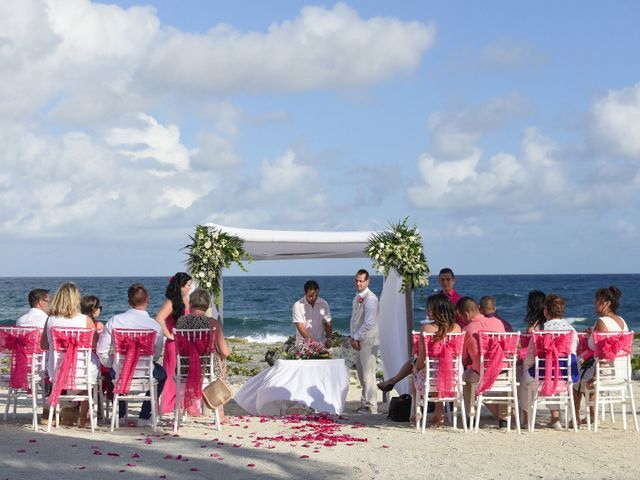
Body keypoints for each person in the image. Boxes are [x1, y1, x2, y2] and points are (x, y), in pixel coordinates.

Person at [96, 283, 165, 427]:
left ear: (129, 302)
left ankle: (120, 415)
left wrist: (111, 364)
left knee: (112, 371)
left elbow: (101, 349)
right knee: (162, 374)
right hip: (146, 372)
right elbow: (157, 352)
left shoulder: (115, 320)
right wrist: (150, 362)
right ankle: (144, 416)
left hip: (120, 371)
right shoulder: (154, 325)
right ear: (147, 299)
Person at [40, 282, 99, 427]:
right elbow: (94, 345)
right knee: (90, 369)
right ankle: (81, 416)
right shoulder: (86, 320)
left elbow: (43, 345)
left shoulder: (51, 320)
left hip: (57, 371)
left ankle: (64, 409)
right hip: (82, 371)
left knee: (79, 368)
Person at [520, 294, 578, 429]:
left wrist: (527, 366)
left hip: (545, 374)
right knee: (553, 377)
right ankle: (555, 419)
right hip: (566, 375)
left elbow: (530, 355)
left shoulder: (541, 330)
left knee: (524, 380)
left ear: (546, 311)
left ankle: (527, 419)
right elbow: (573, 353)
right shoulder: (571, 330)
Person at [573, 286, 628, 426]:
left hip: (604, 372)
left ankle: (576, 418)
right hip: (621, 372)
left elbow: (602, 353)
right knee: (585, 372)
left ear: (607, 303)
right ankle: (591, 416)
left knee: (576, 380)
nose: (594, 303)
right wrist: (593, 333)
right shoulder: (621, 321)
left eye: (597, 301)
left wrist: (596, 377)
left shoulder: (602, 322)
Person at [175, 288, 230, 419]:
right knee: (221, 363)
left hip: (184, 368)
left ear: (191, 303)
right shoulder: (212, 323)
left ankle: (189, 407)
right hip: (206, 369)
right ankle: (220, 413)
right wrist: (222, 358)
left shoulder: (181, 322)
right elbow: (225, 351)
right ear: (207, 305)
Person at [413, 293, 462, 425]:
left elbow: (422, 359)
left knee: (416, 373)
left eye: (429, 308)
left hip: (432, 375)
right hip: (454, 374)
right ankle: (438, 413)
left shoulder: (426, 328)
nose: (427, 311)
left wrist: (416, 367)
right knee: (437, 371)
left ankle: (416, 412)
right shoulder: (457, 328)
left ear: (437, 310)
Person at [457, 296, 506, 426]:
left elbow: (462, 359)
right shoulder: (498, 322)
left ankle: (470, 414)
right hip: (503, 371)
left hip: (482, 374)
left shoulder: (467, 330)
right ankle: (504, 419)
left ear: (466, 314)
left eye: (461, 317)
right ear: (478, 308)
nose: (462, 319)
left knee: (466, 376)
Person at [156, 272, 193, 414]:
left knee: (185, 374)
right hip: (174, 343)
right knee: (172, 374)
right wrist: (169, 334)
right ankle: (168, 406)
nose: (190, 287)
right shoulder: (171, 302)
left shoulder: (188, 300)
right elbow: (159, 318)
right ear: (181, 286)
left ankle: (182, 405)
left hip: (187, 343)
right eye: (188, 285)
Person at [349, 269, 380, 414]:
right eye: (357, 280)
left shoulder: (371, 299)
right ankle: (364, 402)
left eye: (361, 281)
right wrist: (352, 336)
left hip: (369, 340)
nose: (358, 283)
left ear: (367, 281)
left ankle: (372, 405)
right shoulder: (356, 298)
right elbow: (353, 319)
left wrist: (356, 336)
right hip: (358, 340)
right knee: (361, 373)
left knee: (368, 373)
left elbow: (369, 322)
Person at [292, 280, 333, 348]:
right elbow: (300, 326)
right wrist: (312, 343)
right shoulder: (297, 305)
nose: (313, 298)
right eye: (310, 296)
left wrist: (329, 339)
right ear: (305, 293)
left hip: (321, 342)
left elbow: (328, 323)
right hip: (302, 343)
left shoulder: (324, 304)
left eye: (316, 295)